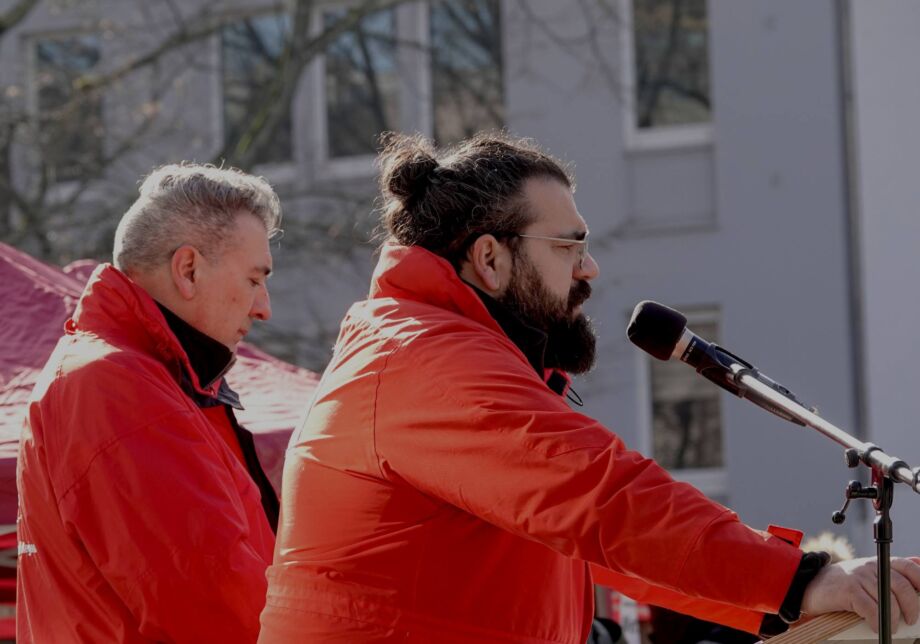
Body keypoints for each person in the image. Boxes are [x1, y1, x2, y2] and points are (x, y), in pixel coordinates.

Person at [259, 133, 920, 643]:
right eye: (568, 247)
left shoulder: (432, 347)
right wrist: (801, 582)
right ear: (490, 257)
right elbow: (604, 500)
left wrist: (782, 596)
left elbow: (608, 545)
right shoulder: (425, 360)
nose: (590, 269)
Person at [17, 163, 283, 642]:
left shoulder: (128, 377)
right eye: (253, 279)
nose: (264, 307)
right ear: (188, 269)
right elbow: (218, 607)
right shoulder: (118, 386)